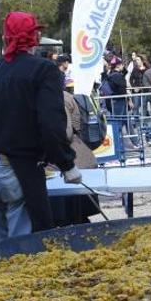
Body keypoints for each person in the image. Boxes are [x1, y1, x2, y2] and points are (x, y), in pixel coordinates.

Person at [0, 11, 81, 240]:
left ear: (5, 37)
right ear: (35, 38)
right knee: (26, 247)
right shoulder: (43, 70)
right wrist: (66, 164)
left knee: (1, 242)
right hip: (16, 168)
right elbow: (51, 123)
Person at [49, 82, 99, 227]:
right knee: (77, 218)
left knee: (71, 218)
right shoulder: (64, 96)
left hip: (72, 159)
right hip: (77, 156)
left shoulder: (58, 99)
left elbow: (65, 132)